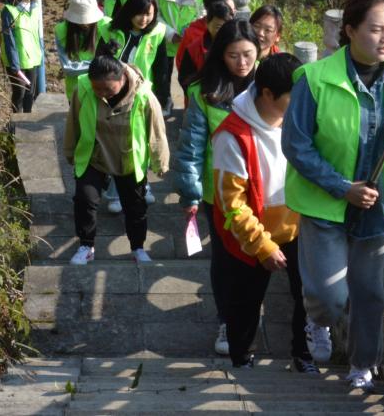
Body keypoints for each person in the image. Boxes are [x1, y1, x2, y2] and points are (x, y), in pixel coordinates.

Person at [282, 0, 384, 390]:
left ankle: (364, 363)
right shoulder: (313, 78)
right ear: (349, 30)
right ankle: (319, 323)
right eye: (376, 29)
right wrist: (341, 186)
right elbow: (295, 144)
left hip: (378, 204)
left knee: (369, 294)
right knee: (329, 296)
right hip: (325, 201)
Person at [211, 54, 316, 372]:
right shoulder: (232, 136)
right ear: (267, 94)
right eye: (293, 98)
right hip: (252, 236)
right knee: (245, 301)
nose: (302, 105)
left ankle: (304, 354)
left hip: (298, 227)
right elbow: (232, 205)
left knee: (307, 296)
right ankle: (241, 359)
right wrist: (262, 245)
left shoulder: (300, 120)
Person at [175, 19, 260, 356]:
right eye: (233, 56)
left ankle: (247, 320)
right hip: (219, 192)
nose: (242, 63)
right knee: (225, 259)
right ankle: (228, 319)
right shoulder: (204, 92)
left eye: (248, 55)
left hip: (263, 189)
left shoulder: (268, 88)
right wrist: (190, 193)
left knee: (256, 256)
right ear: (220, 56)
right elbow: (191, 147)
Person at [63, 44, 170, 265]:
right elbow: (73, 122)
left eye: (108, 90)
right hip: (94, 155)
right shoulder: (83, 88)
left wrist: (160, 161)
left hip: (128, 158)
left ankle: (138, 247)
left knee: (135, 206)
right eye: (97, 90)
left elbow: (157, 131)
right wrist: (70, 151)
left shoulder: (143, 96)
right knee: (85, 199)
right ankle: (86, 245)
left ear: (122, 79)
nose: (102, 94)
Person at [101, 0, 167, 210]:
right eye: (140, 13)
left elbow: (161, 67)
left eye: (149, 13)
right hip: (115, 95)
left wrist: (162, 95)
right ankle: (115, 194)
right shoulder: (111, 30)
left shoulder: (157, 32)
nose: (144, 18)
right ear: (130, 11)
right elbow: (100, 64)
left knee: (143, 141)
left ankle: (143, 184)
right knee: (118, 143)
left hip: (143, 94)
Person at [153, 0, 207, 115]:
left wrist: (190, 32)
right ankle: (164, 102)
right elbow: (155, 14)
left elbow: (203, 16)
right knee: (163, 75)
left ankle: (190, 110)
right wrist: (170, 34)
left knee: (188, 78)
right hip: (166, 39)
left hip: (191, 42)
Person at [0, 0, 44, 113]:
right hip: (17, 62)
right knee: (19, 94)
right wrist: (15, 66)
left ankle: (27, 122)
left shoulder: (35, 7)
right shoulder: (9, 11)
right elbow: (9, 41)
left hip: (33, 59)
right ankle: (16, 126)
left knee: (30, 94)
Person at [176, 0, 235, 93]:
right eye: (229, 9)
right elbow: (182, 69)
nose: (233, 13)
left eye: (233, 10)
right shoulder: (193, 37)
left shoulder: (237, 41)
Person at [55, 0, 108, 102]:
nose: (85, 23)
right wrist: (99, 66)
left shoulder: (105, 26)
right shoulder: (61, 30)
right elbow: (68, 67)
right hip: (76, 90)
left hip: (102, 89)